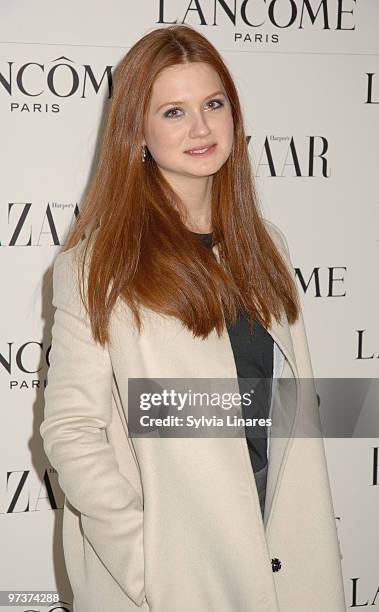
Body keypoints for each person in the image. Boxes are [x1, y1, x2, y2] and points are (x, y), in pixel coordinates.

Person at [40, 24, 346, 612]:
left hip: (280, 563)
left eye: (213, 103)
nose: (201, 127)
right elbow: (72, 433)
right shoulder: (96, 267)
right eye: (174, 112)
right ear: (139, 134)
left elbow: (284, 421)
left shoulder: (265, 246)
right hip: (173, 582)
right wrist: (149, 567)